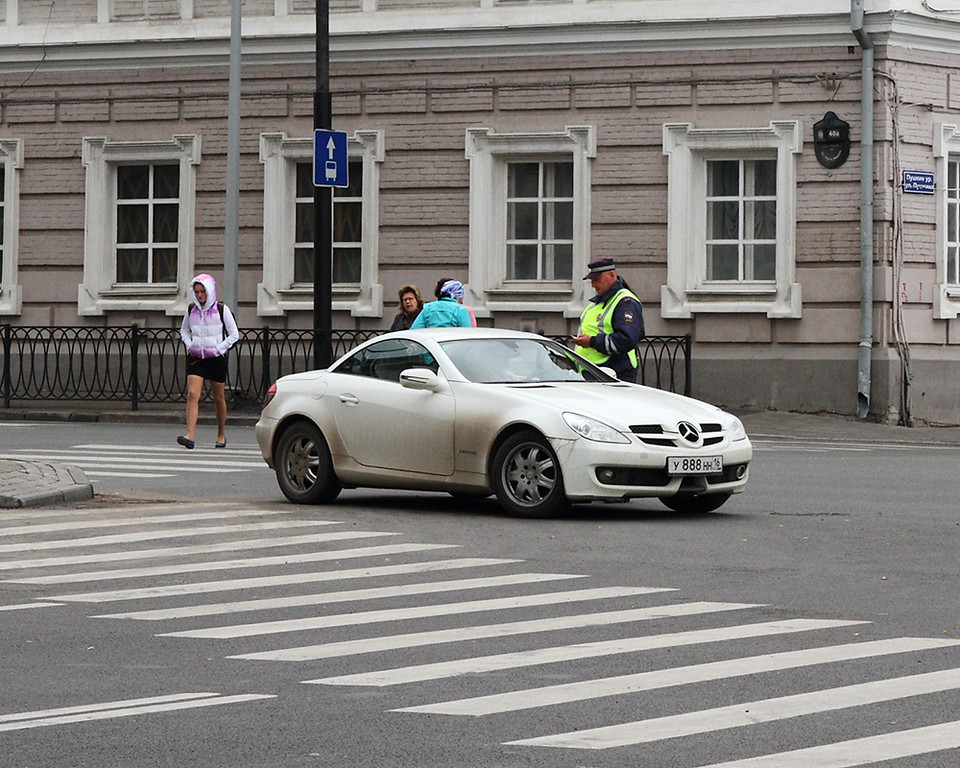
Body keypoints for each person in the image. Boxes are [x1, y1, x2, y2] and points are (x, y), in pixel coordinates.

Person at [177, 273, 240, 449]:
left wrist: (219, 349)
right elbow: (184, 330)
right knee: (192, 394)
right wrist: (191, 345)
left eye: (202, 291)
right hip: (196, 358)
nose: (199, 295)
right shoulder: (191, 310)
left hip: (215, 359)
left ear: (209, 291)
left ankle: (221, 434)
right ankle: (189, 435)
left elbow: (234, 335)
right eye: (196, 292)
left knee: (219, 397)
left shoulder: (221, 310)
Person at [573, 257, 645, 382]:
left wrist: (592, 342)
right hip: (593, 373)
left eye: (597, 279)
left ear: (611, 275)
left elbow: (626, 340)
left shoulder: (625, 302)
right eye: (592, 281)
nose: (593, 285)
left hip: (614, 374)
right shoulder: (596, 303)